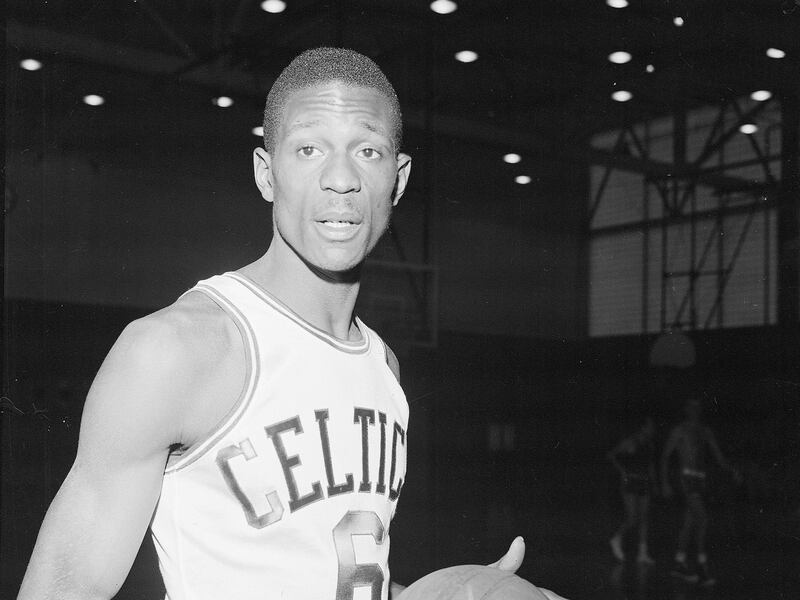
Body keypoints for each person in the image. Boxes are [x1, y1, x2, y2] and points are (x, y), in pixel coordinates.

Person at [18, 47, 550, 600]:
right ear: (266, 174)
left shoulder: (383, 366)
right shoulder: (176, 349)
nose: (340, 179)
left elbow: (338, 574)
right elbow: (63, 588)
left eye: (367, 150)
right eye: (309, 149)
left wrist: (455, 590)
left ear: (398, 178)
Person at [660, 396, 740, 587]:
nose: (694, 409)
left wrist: (733, 470)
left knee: (689, 524)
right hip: (685, 480)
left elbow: (719, 457)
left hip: (699, 481)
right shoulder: (679, 430)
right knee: (702, 519)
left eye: (697, 406)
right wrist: (664, 483)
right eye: (691, 406)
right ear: (686, 409)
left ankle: (679, 563)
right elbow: (664, 456)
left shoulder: (705, 431)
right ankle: (702, 567)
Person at [607, 416, 656, 565]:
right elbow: (611, 455)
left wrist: (655, 483)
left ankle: (642, 553)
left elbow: (650, 464)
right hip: (631, 481)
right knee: (632, 518)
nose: (652, 429)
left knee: (644, 517)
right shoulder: (631, 441)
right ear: (643, 427)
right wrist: (623, 471)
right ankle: (616, 539)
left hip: (645, 481)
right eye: (650, 426)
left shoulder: (649, 444)